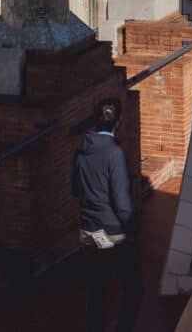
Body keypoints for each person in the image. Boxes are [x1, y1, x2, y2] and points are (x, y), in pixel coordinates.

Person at [72, 98, 143, 332]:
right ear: (118, 123)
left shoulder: (81, 149)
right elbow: (121, 199)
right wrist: (131, 228)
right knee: (134, 287)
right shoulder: (114, 153)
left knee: (97, 289)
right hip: (112, 232)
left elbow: (75, 189)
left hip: (88, 230)